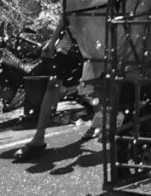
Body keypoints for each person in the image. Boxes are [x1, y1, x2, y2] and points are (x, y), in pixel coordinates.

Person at [14, 11, 97, 161]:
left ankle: (98, 122)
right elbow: (66, 12)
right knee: (53, 84)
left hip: (95, 37)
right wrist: (52, 42)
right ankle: (38, 138)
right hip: (70, 41)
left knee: (97, 80)